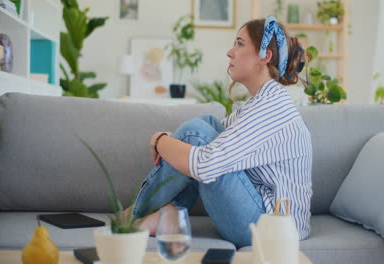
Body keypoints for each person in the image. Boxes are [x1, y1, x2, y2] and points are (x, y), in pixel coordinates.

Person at [130, 15, 313, 248]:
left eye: (239, 43)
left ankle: (134, 215)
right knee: (207, 124)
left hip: (270, 229)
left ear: (264, 57)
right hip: (260, 216)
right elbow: (216, 140)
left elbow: (206, 163)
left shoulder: (271, 108)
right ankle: (169, 212)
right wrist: (171, 143)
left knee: (196, 133)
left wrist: (159, 141)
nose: (230, 52)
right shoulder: (259, 102)